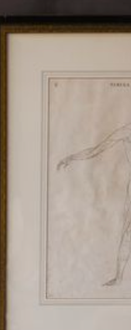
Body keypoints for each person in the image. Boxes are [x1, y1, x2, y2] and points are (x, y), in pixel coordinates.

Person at [57, 121, 131, 287]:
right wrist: (71, 157)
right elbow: (96, 149)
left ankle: (118, 279)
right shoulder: (126, 130)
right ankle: (119, 278)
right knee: (127, 233)